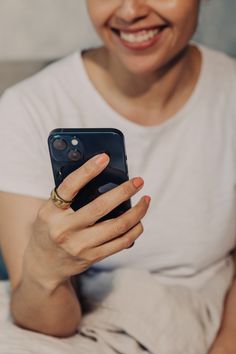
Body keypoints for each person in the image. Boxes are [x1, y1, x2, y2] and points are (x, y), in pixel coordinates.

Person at [0, 0, 235, 352]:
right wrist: (44, 271)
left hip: (200, 317)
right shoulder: (28, 107)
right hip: (77, 326)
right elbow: (51, 325)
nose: (129, 12)